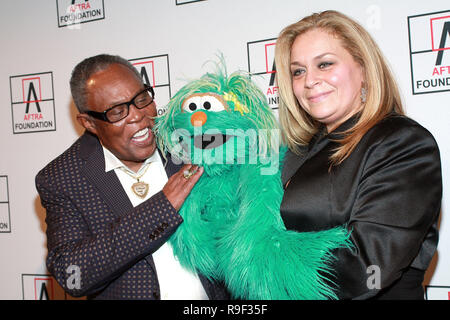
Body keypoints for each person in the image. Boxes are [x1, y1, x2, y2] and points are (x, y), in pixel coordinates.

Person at [274, 10, 442, 299]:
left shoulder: (403, 143)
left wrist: (261, 264)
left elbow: (369, 269)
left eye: (324, 64)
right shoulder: (293, 152)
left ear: (363, 69)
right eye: (298, 71)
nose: (309, 80)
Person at [35, 54, 229, 300]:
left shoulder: (186, 137)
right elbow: (73, 274)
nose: (138, 115)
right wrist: (163, 207)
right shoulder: (63, 178)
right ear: (89, 123)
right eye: (117, 111)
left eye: (141, 98)